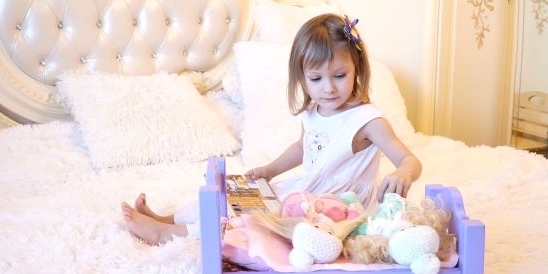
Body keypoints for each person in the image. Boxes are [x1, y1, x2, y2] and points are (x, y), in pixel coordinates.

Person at [121, 13, 422, 246]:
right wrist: (270, 170)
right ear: (302, 79)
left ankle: (174, 234)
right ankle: (166, 218)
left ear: (357, 67)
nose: (328, 88)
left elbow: (411, 161)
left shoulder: (368, 121)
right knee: (234, 193)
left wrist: (402, 173)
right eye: (316, 79)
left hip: (336, 208)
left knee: (249, 216)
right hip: (309, 192)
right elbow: (302, 148)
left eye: (339, 75)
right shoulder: (314, 112)